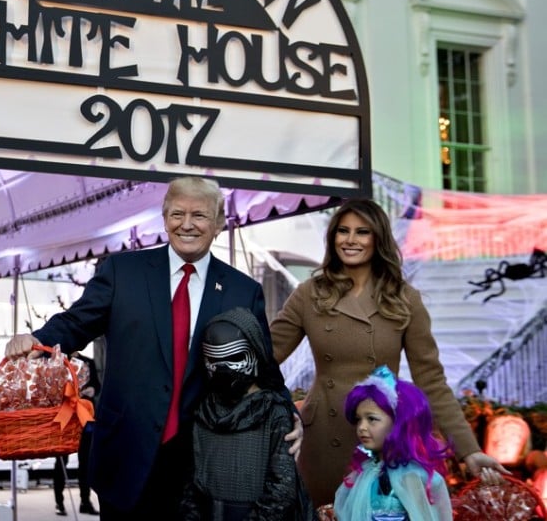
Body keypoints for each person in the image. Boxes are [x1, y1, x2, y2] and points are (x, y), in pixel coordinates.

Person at [5, 176, 299, 520]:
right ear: (164, 217)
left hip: (202, 462)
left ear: (219, 223)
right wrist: (36, 340)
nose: (186, 225)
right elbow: (75, 323)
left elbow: (262, 367)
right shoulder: (121, 272)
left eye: (199, 216)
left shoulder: (242, 290)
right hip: (124, 454)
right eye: (177, 214)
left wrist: (288, 414)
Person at [270, 198, 506, 506]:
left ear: (377, 239)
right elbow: (265, 357)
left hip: (383, 438)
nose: (350, 240)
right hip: (324, 436)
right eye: (343, 231)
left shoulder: (404, 299)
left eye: (362, 232)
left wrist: (469, 450)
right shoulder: (310, 294)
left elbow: (431, 381)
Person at [181, 307, 315, 520]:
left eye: (234, 356)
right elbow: (192, 487)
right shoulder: (203, 412)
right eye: (214, 361)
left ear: (256, 352)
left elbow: (282, 491)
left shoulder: (274, 413)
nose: (223, 368)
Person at [334, 366, 453, 521]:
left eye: (372, 419)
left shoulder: (417, 477)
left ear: (398, 423)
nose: (361, 427)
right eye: (358, 420)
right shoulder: (362, 474)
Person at [52, 350, 100, 516]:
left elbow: (97, 385)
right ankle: (59, 502)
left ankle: (85, 501)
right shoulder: (58, 362)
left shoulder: (88, 362)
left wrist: (92, 390)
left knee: (85, 460)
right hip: (65, 414)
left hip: (85, 415)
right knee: (61, 460)